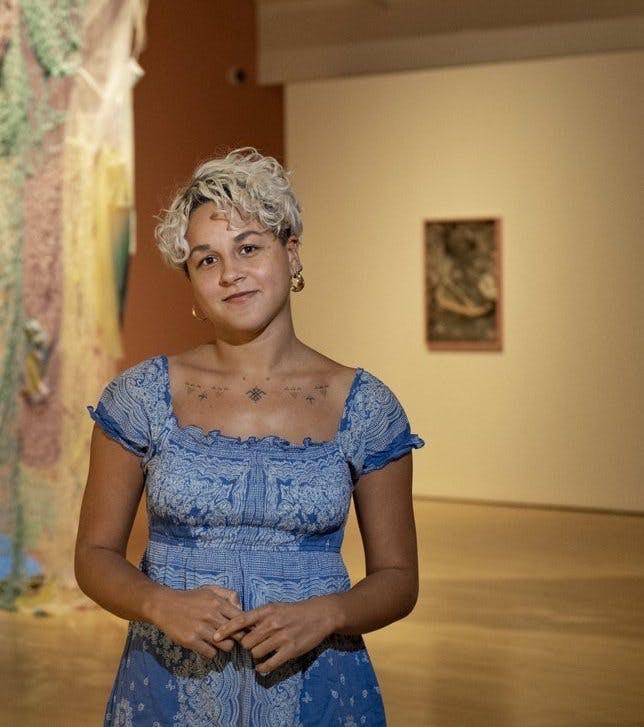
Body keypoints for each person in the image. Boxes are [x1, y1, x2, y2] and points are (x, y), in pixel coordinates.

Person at [75, 146, 426, 726]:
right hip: (167, 688)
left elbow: (398, 579)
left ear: (291, 253)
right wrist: (156, 602)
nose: (230, 273)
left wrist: (329, 613)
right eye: (206, 260)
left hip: (320, 690)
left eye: (248, 247)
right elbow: (93, 556)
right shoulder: (140, 398)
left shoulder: (364, 407)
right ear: (189, 280)